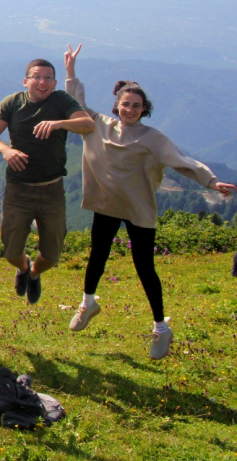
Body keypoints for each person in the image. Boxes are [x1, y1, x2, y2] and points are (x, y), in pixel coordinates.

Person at [63, 44, 235, 359]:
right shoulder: (98, 125)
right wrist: (71, 72)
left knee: (144, 267)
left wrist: (211, 181)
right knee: (97, 256)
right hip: (107, 205)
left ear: (144, 109)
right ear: (117, 105)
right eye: (125, 104)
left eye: (136, 105)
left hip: (139, 209)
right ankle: (87, 303)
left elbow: (183, 161)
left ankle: (161, 328)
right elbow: (76, 104)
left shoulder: (154, 139)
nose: (130, 109)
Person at [0, 57, 96, 304]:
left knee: (52, 255)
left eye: (48, 78)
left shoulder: (62, 101)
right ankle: (23, 267)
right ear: (26, 81)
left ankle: (34, 273)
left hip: (52, 190)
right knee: (11, 252)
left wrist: (59, 123)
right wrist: (6, 150)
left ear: (55, 83)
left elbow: (88, 124)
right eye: (37, 77)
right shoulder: (13, 102)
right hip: (18, 190)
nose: (42, 82)